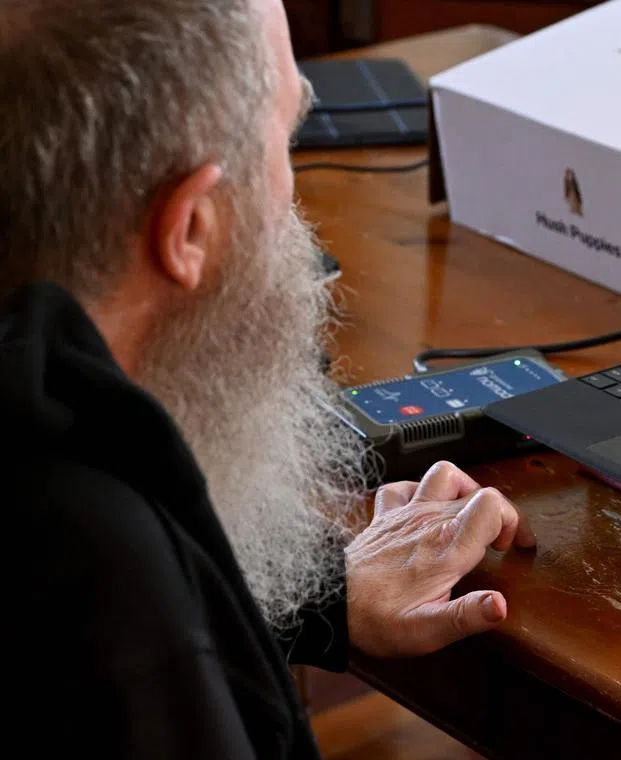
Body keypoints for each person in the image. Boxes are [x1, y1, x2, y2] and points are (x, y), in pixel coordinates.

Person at [0, 1, 534, 756]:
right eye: (284, 142)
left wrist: (319, 594)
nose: (297, 207)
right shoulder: (107, 593)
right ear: (189, 229)